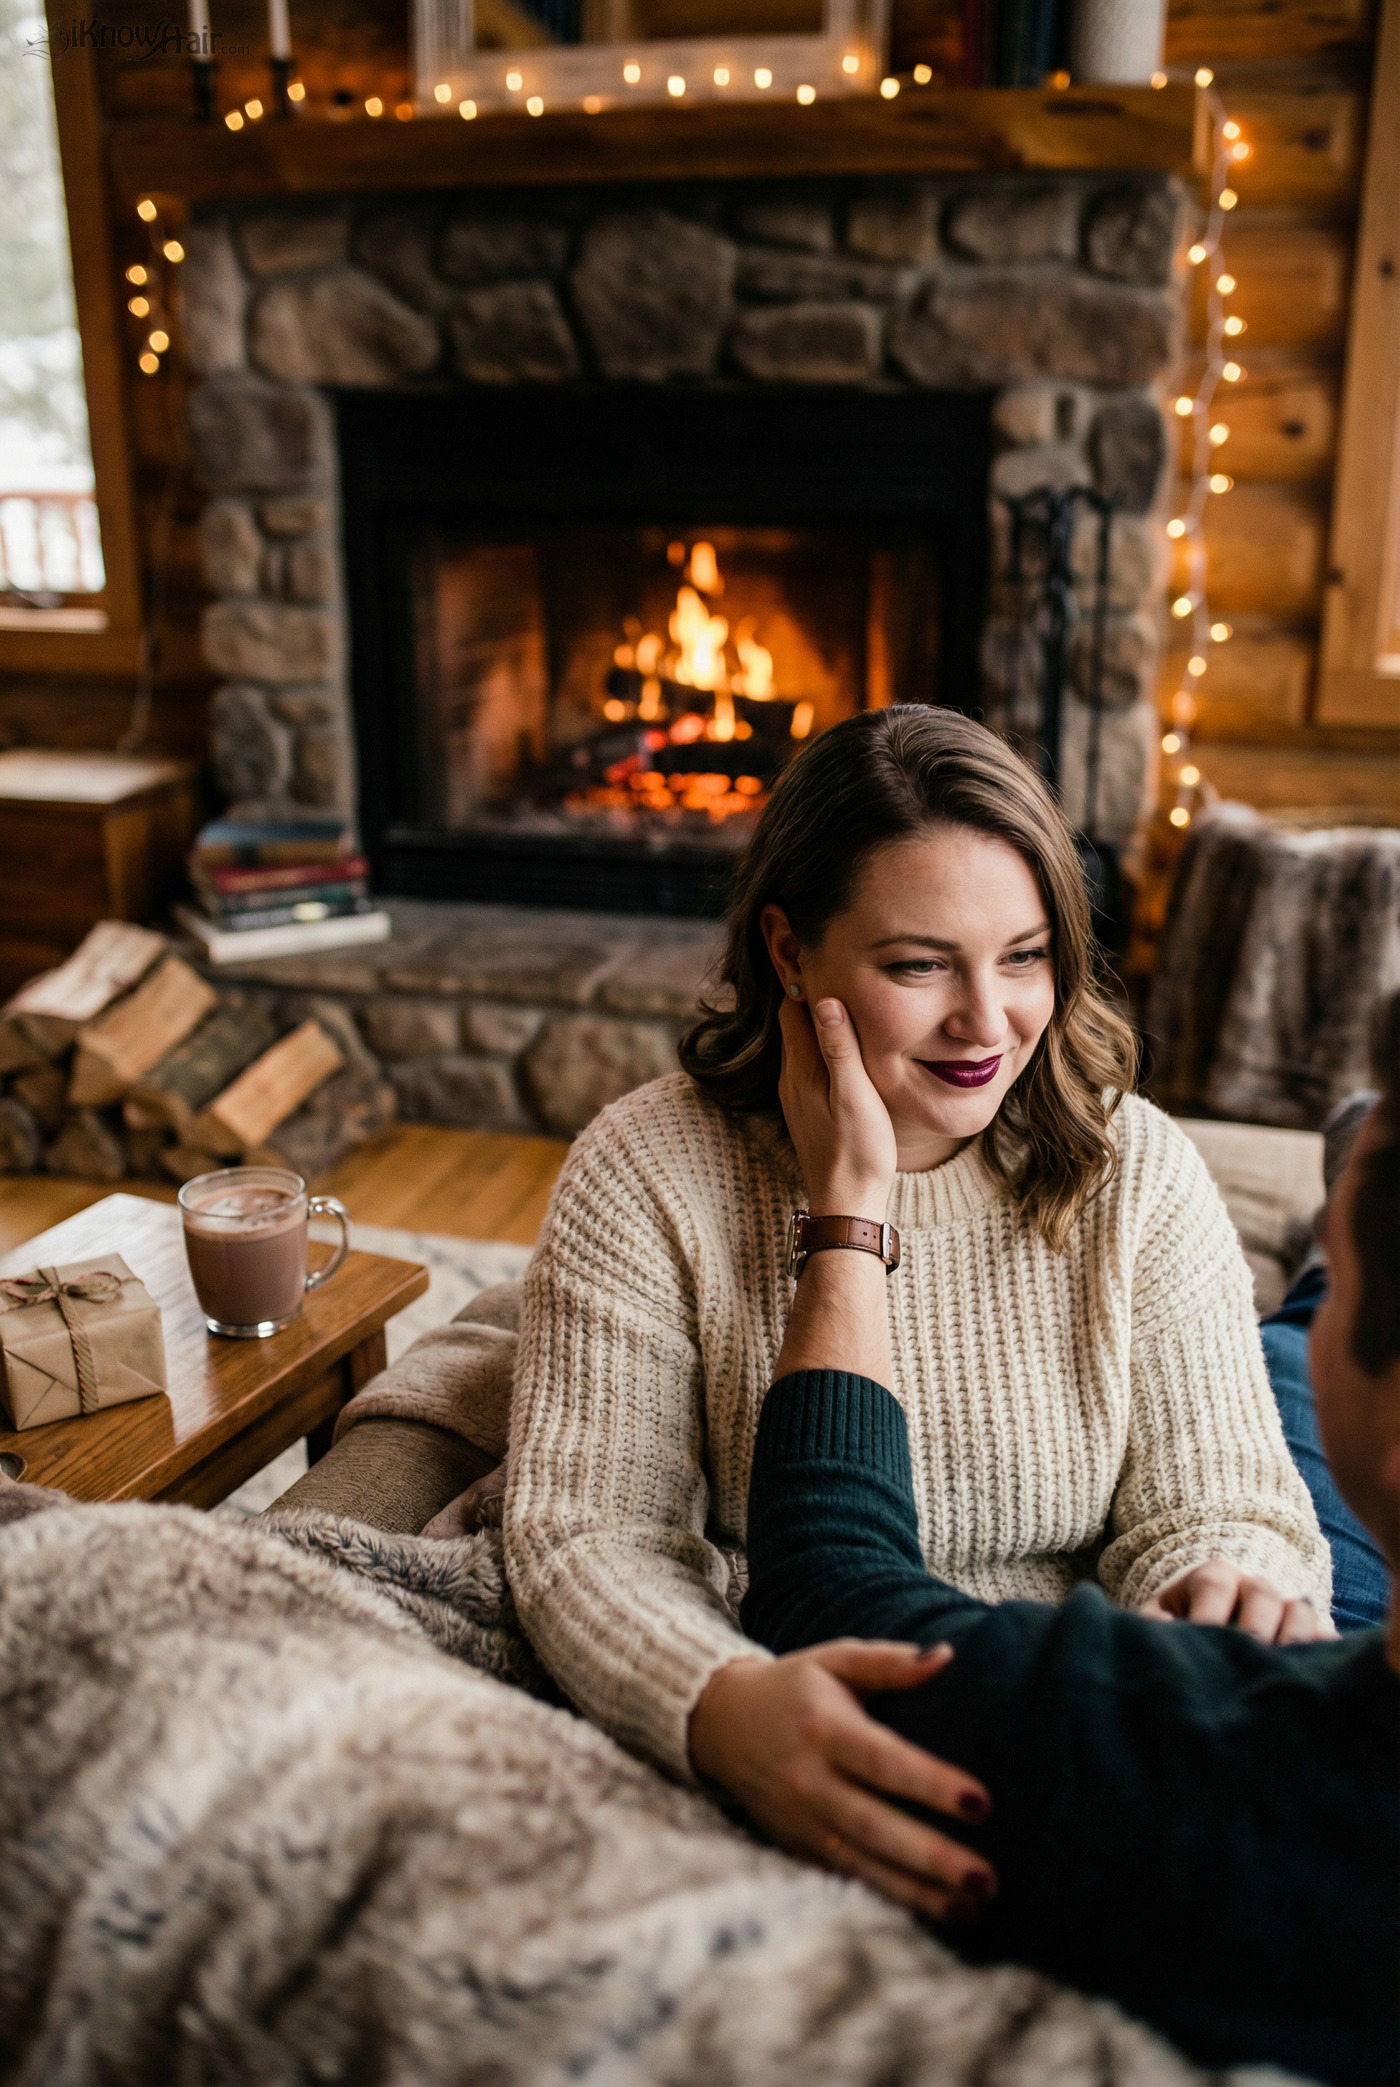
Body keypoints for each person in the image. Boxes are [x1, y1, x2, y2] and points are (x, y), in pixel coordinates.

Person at [505, 706, 1330, 1921]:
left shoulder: (1133, 1168)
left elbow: (1222, 1499)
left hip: (1069, 1706)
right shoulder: (646, 1170)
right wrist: (717, 1701)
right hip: (822, 1675)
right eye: (916, 964)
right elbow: (588, 1533)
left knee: (1308, 1357)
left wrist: (1225, 1584)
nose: (985, 1022)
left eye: (1022, 955)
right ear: (788, 953)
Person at [738, 986, 1400, 2086]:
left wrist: (850, 1202)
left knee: (1281, 1362)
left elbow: (826, 1590)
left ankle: (1329, 1262)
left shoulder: (1191, 1777)